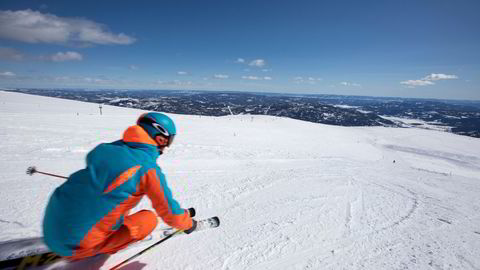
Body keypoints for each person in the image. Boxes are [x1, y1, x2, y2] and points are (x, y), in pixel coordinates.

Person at [43, 112, 196, 260]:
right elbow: (169, 213)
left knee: (118, 201)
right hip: (76, 246)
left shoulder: (105, 149)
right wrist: (188, 224)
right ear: (161, 139)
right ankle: (98, 247)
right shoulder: (147, 169)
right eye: (170, 140)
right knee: (149, 219)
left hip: (51, 223)